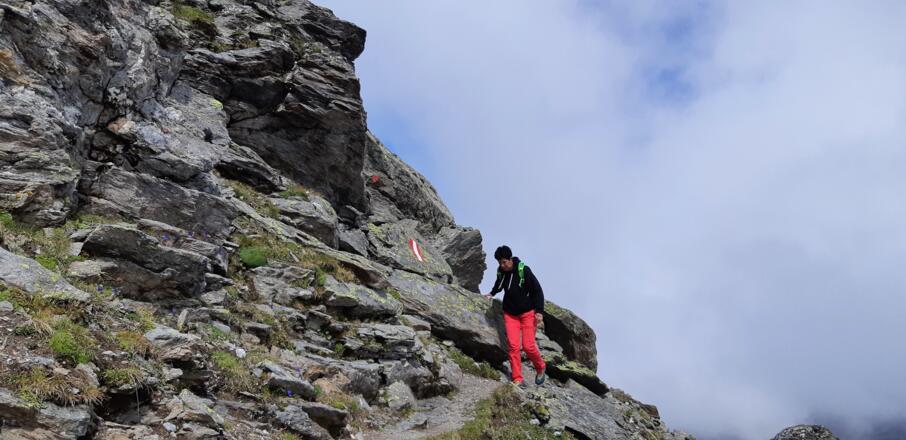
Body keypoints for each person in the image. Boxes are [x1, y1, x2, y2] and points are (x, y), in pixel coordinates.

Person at [484, 245, 546, 386]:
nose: (502, 265)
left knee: (528, 346)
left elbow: (537, 291)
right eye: (500, 263)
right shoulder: (501, 271)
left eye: (504, 262)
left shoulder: (523, 270)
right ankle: (517, 378)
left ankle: (541, 367)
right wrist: (492, 293)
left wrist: (539, 311)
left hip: (527, 313)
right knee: (513, 347)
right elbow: (499, 284)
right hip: (510, 314)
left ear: (510, 259)